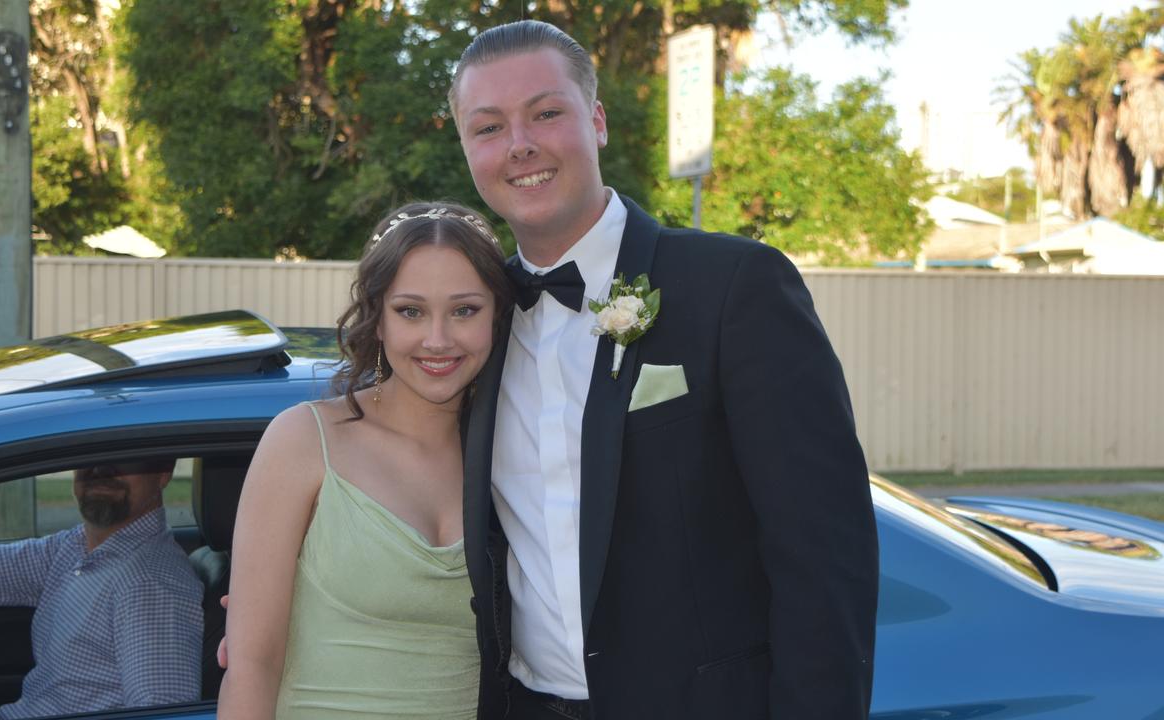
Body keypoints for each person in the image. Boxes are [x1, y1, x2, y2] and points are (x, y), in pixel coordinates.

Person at [450, 21, 879, 719]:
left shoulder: (734, 286)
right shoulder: (474, 323)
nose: (519, 144)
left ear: (596, 120)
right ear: (468, 150)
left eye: (545, 113)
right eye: (488, 127)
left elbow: (823, 556)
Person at [217, 201, 514, 719]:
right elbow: (252, 666)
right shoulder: (304, 441)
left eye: (465, 310)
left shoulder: (516, 453)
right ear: (377, 318)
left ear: (498, 315)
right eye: (411, 311)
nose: (437, 339)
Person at [0, 458, 203, 719]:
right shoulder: (75, 548)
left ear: (164, 472)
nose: (100, 467)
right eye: (86, 454)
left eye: (121, 457)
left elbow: (163, 711)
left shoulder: (152, 583)